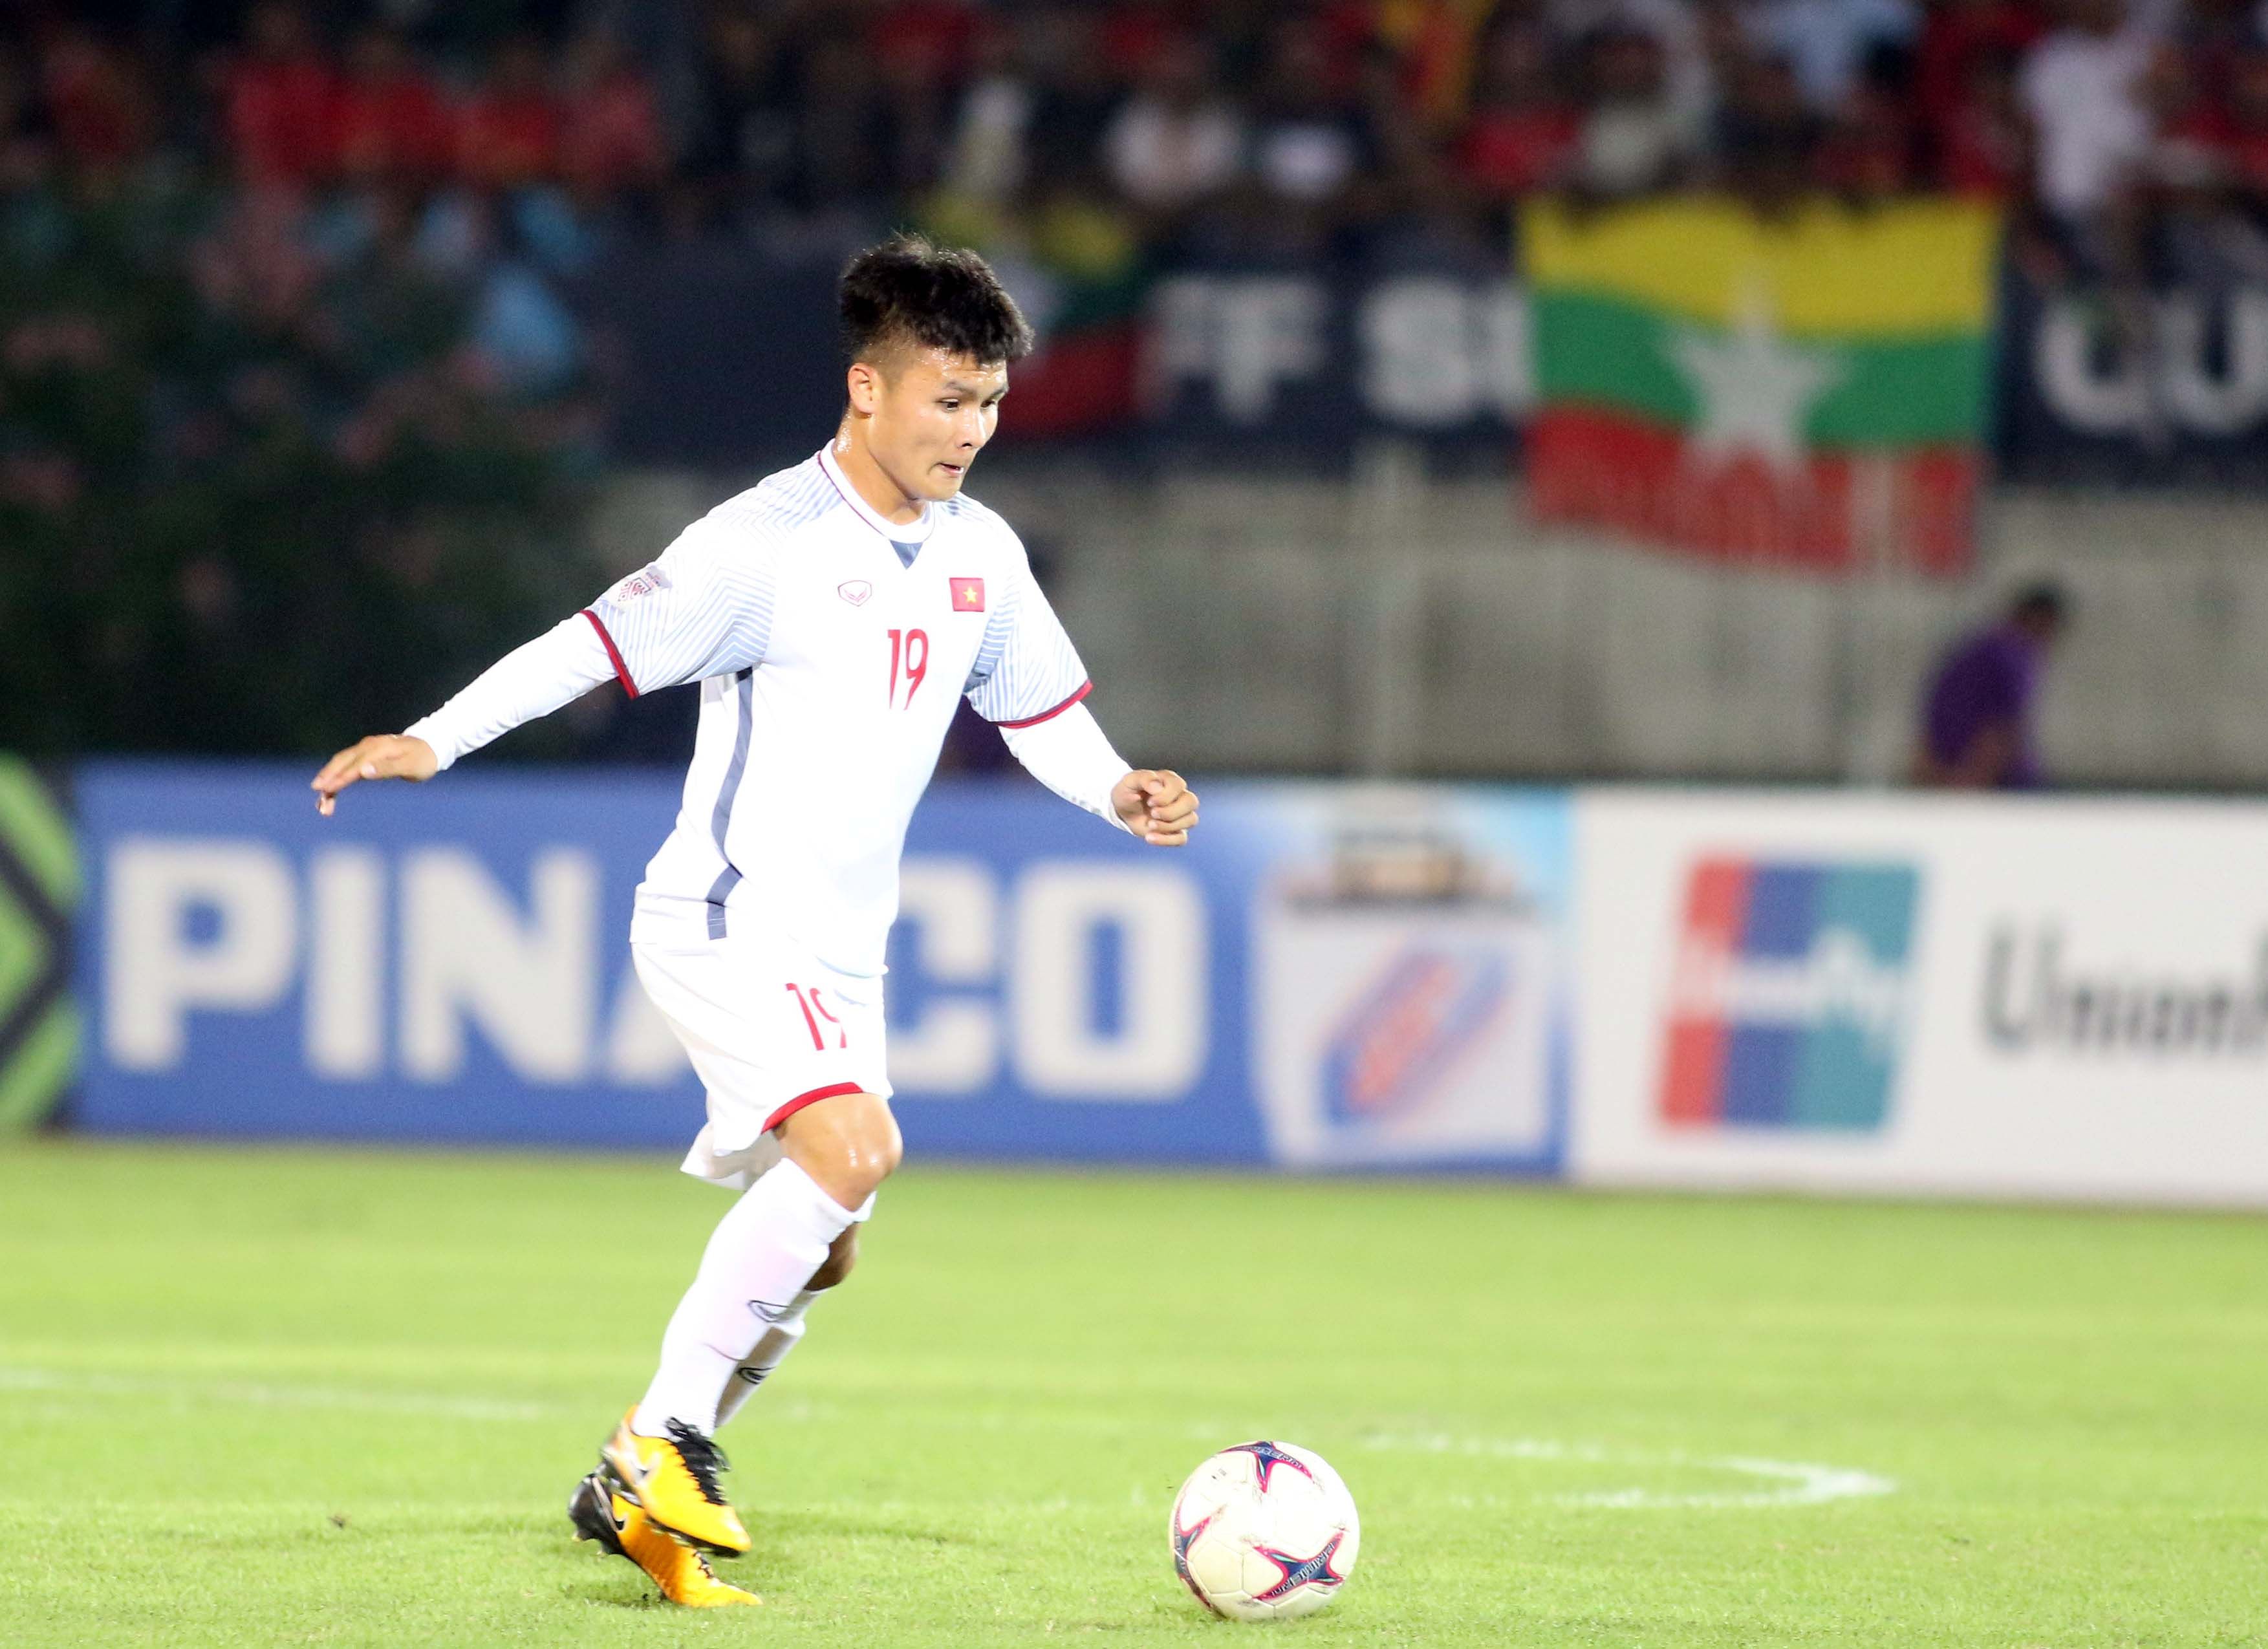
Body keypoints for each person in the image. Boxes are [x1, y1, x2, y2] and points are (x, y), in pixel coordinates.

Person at [309, 235, 1200, 1608]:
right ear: (867, 388)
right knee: (856, 1146)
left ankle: (633, 1475)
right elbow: (594, 642)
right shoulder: (764, 544)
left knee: (826, 1245)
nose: (971, 430)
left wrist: (1116, 787)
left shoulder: (981, 552)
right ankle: (661, 1440)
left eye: (988, 403)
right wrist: (433, 738)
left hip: (843, 956)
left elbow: (1036, 713)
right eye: (947, 399)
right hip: (726, 918)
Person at [1912, 581, 2070, 788]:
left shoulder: (1976, 648)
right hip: (1994, 784)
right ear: (2041, 619)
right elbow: (2002, 729)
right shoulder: (2012, 656)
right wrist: (1969, 781)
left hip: (1950, 773)